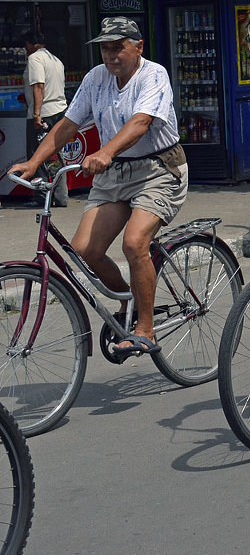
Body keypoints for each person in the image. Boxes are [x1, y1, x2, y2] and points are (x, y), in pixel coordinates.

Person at [10, 17, 187, 355]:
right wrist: (35, 162)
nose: (110, 55)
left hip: (158, 169)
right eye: (105, 48)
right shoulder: (95, 79)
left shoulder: (154, 75)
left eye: (117, 46)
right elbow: (68, 124)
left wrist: (105, 150)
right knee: (84, 251)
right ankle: (130, 301)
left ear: (138, 47)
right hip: (116, 175)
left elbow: (141, 122)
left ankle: (146, 329)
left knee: (134, 244)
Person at [21, 29, 68, 208]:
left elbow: (39, 86)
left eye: (26, 45)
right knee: (55, 154)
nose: (25, 49)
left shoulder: (35, 59)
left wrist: (36, 114)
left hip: (44, 113)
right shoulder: (55, 60)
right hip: (59, 110)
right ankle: (61, 196)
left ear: (32, 44)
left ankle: (41, 197)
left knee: (37, 156)